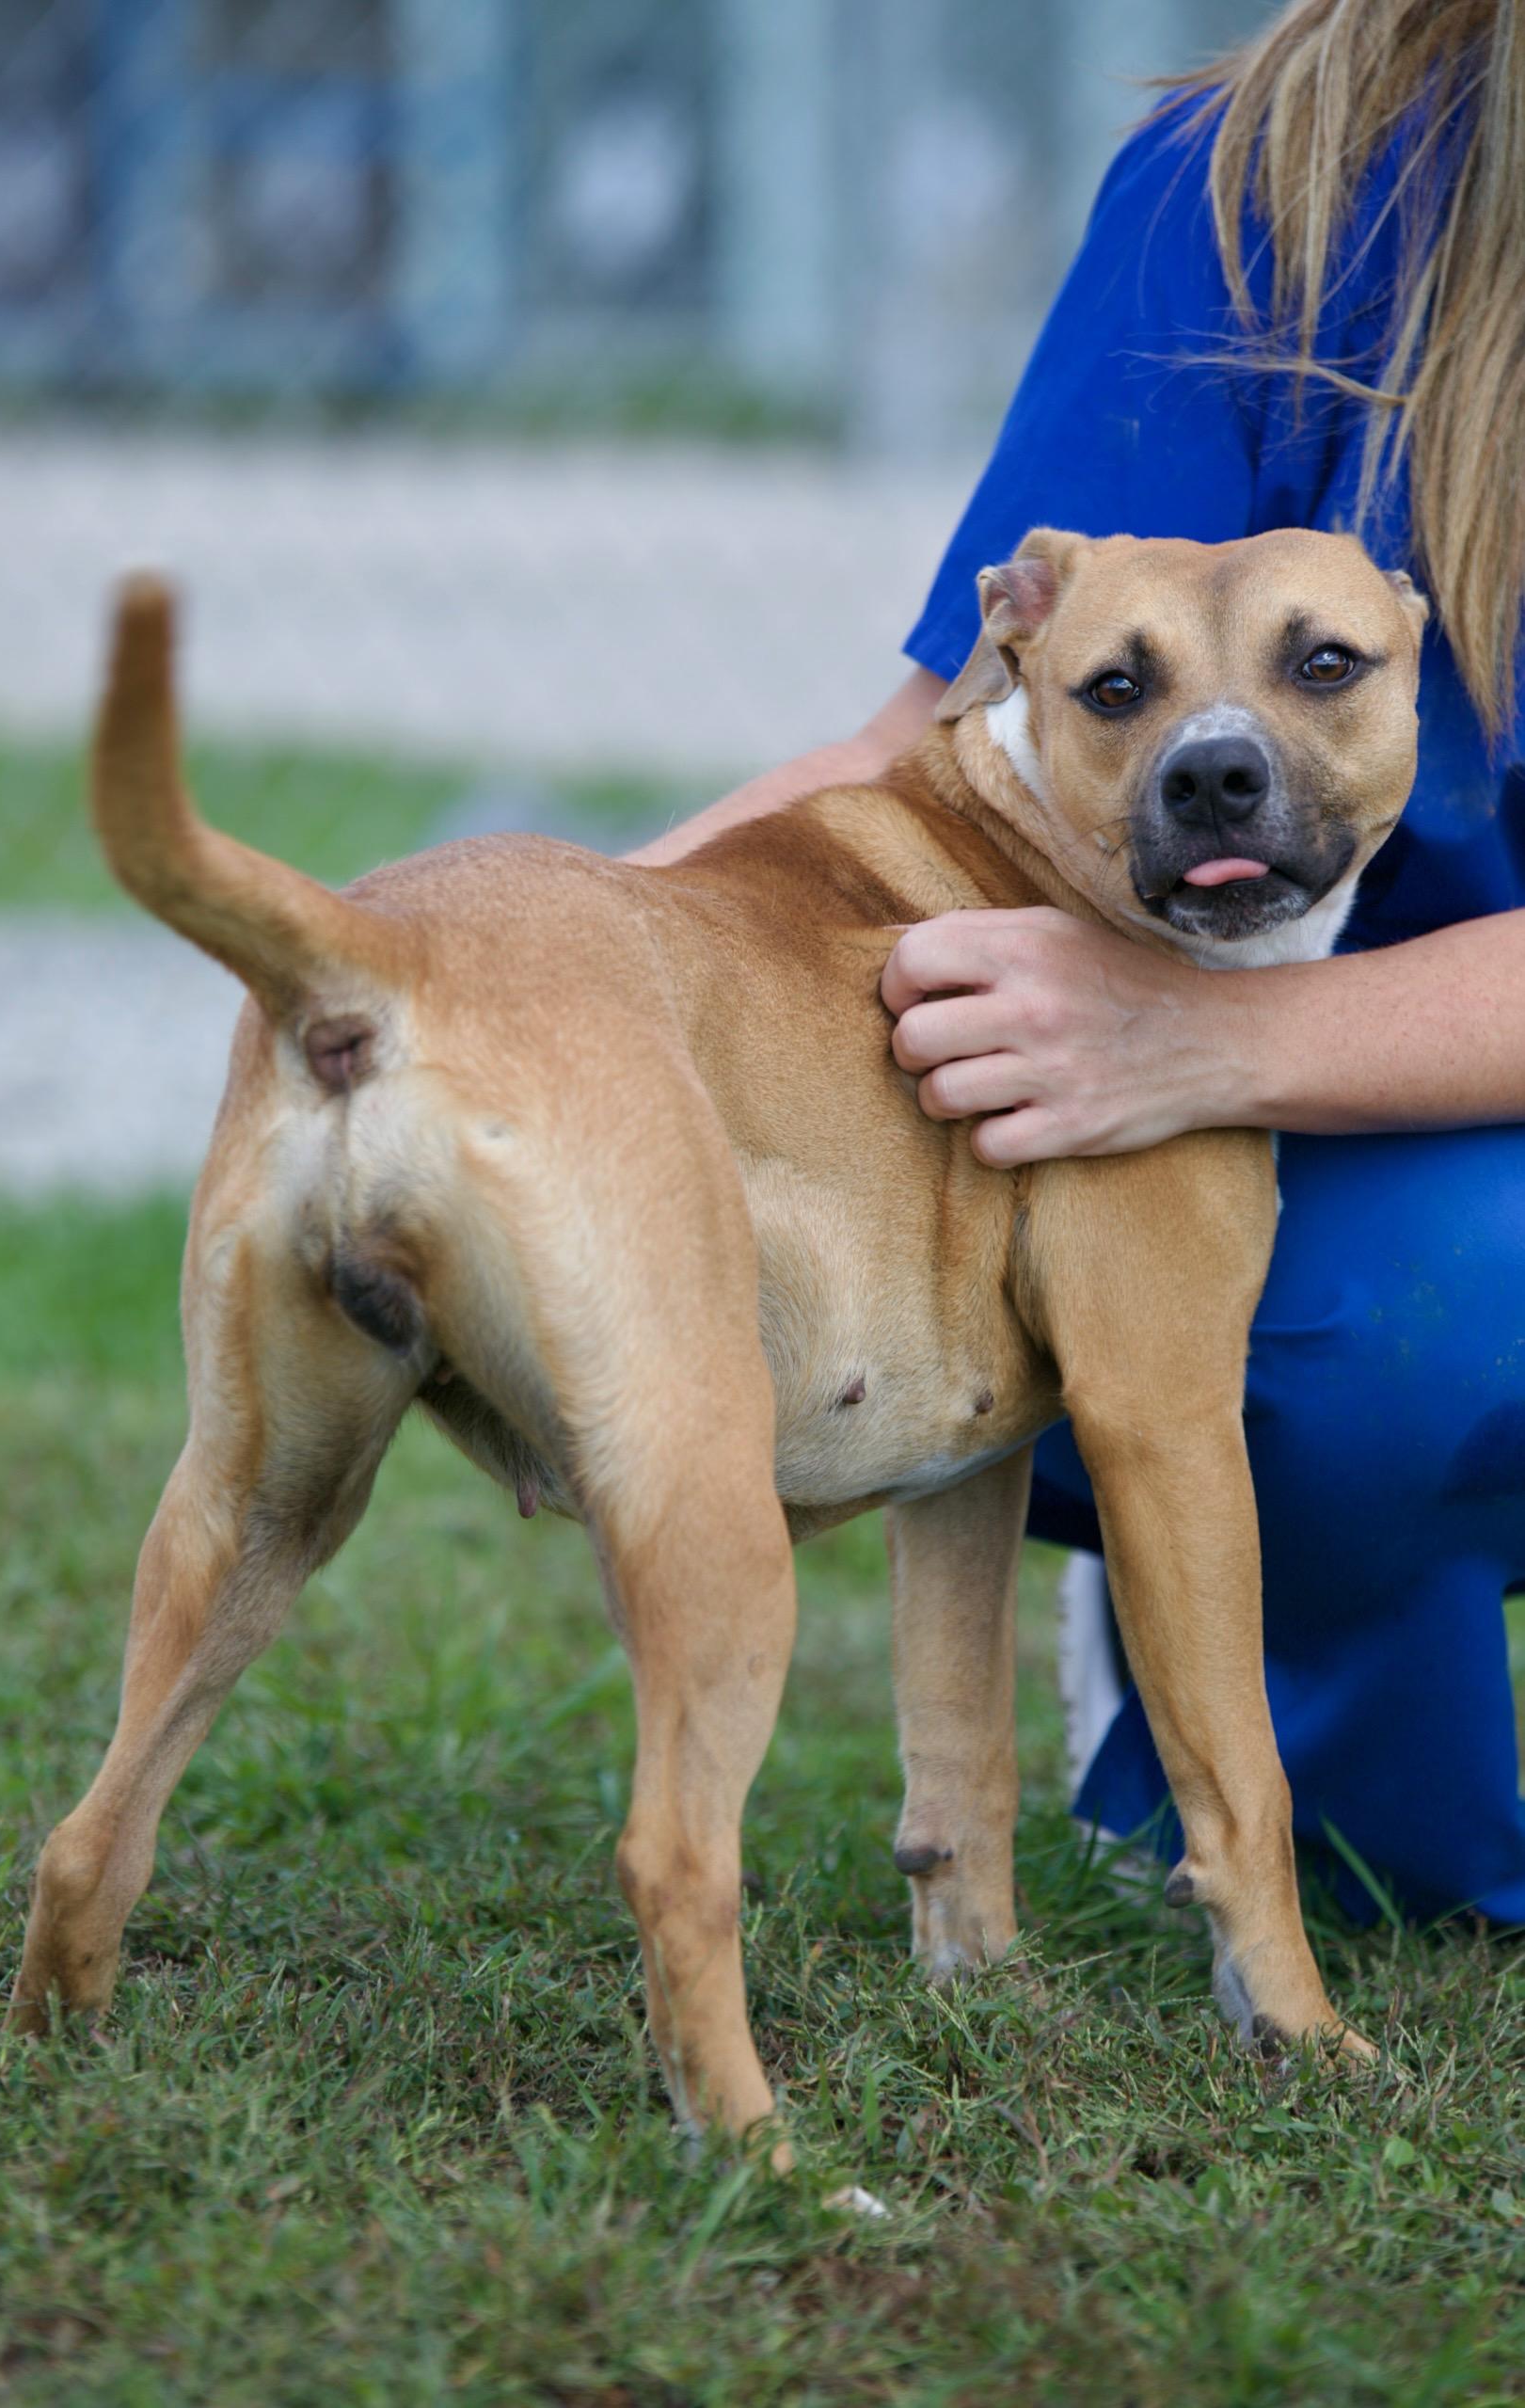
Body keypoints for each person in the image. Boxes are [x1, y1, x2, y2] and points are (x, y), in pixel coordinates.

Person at [629, 0, 1525, 1924]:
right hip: (1342, 1141)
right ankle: (1314, 1834)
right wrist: (519, 981)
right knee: (1343, 1324)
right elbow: (931, 739)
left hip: (1372, 1066)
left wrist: (1211, 1039)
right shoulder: (1273, 172)